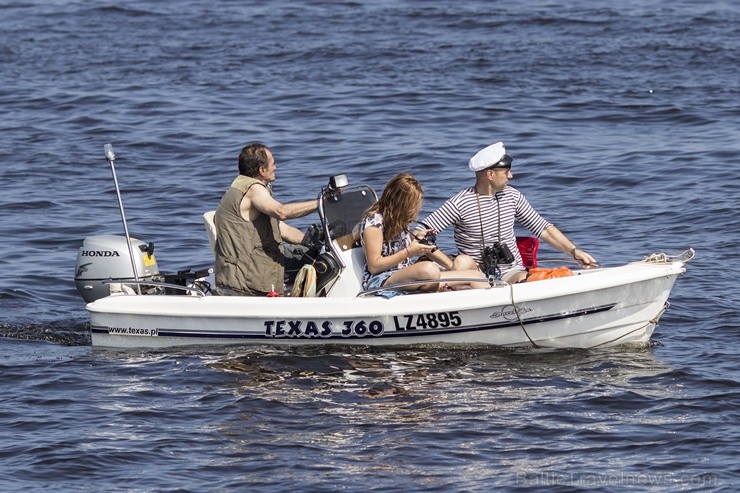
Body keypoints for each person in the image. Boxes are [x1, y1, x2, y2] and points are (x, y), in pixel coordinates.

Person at [420, 141, 597, 284]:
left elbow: (543, 228)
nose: (511, 176)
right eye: (506, 171)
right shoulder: (460, 202)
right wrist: (449, 264)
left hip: (510, 273)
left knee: (532, 282)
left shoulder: (512, 196)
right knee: (461, 262)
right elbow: (419, 235)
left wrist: (574, 251)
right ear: (490, 174)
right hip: (473, 276)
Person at [214, 142, 317, 296]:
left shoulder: (243, 185)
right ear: (262, 170)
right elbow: (281, 212)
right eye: (273, 164)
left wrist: (316, 243)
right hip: (246, 279)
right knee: (316, 266)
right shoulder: (253, 190)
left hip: (249, 268)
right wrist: (321, 203)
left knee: (314, 254)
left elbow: (282, 229)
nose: (275, 168)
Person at [361, 172, 488, 296]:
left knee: (475, 276)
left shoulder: (398, 219)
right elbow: (374, 266)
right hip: (381, 280)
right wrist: (409, 251)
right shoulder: (374, 223)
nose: (416, 209)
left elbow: (397, 248)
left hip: (404, 275)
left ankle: (494, 307)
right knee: (429, 270)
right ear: (401, 203)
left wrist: (417, 241)